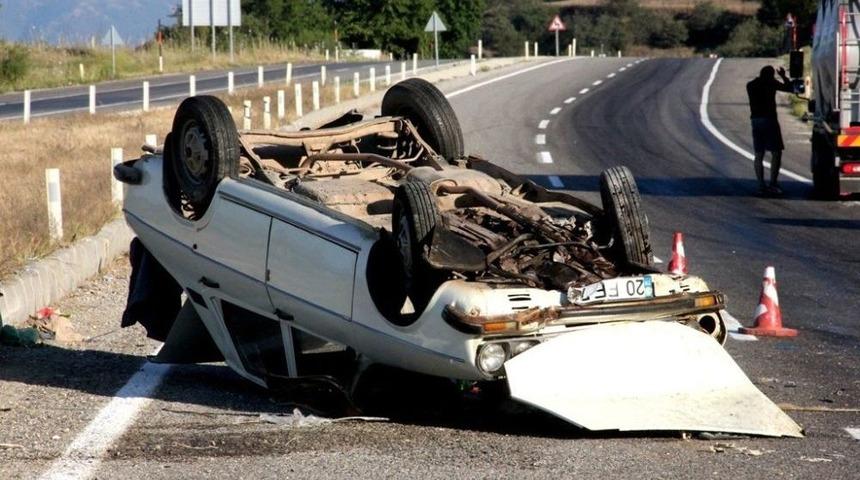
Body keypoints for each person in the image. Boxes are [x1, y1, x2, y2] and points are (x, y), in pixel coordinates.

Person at [746, 65, 794, 195]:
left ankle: (761, 184)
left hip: (755, 120)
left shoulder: (750, 85)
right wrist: (783, 76)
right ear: (771, 75)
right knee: (776, 152)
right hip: (769, 120)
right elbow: (790, 88)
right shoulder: (771, 83)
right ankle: (773, 183)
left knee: (759, 154)